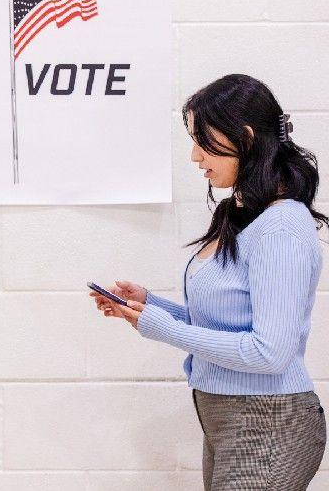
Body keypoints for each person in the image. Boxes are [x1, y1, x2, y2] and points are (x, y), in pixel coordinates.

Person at [92, 74, 327, 490]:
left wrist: (162, 328)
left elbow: (269, 353)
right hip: (232, 419)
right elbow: (228, 324)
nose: (194, 156)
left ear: (247, 137)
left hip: (268, 423)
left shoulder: (282, 228)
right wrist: (151, 306)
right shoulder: (245, 215)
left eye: (203, 140)